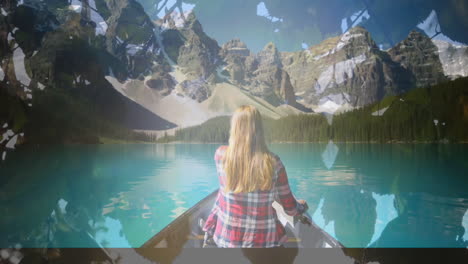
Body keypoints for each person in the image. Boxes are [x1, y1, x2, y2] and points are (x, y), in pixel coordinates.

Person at [202, 105, 307, 249]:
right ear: (259, 130)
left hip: (225, 241)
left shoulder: (220, 155)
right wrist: (300, 207)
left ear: (234, 128)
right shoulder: (274, 162)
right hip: (264, 244)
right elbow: (290, 209)